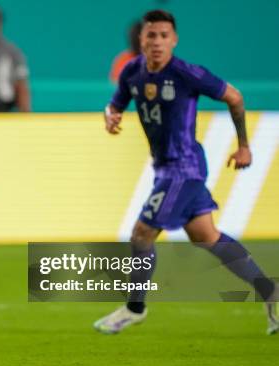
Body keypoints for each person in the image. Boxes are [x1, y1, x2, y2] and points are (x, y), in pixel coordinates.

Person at [96, 10, 278, 335]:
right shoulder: (132, 72)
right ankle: (270, 291)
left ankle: (134, 307)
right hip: (165, 168)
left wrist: (244, 145)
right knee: (206, 236)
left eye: (164, 36)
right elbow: (115, 104)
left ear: (174, 40)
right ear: (141, 39)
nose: (157, 42)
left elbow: (234, 97)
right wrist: (110, 115)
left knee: (141, 235)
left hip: (184, 168)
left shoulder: (186, 74)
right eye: (151, 35)